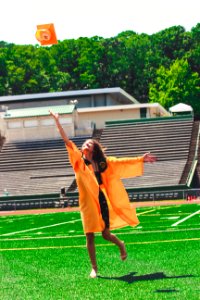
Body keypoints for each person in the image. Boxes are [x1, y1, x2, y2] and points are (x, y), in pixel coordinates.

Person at [49, 110, 156, 278]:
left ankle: (120, 245)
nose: (85, 145)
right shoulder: (78, 160)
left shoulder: (103, 163)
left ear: (94, 148)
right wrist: (57, 122)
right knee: (89, 235)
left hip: (101, 200)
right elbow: (67, 141)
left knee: (105, 234)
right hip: (86, 203)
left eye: (89, 144)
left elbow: (121, 162)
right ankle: (94, 268)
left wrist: (140, 159)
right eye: (84, 143)